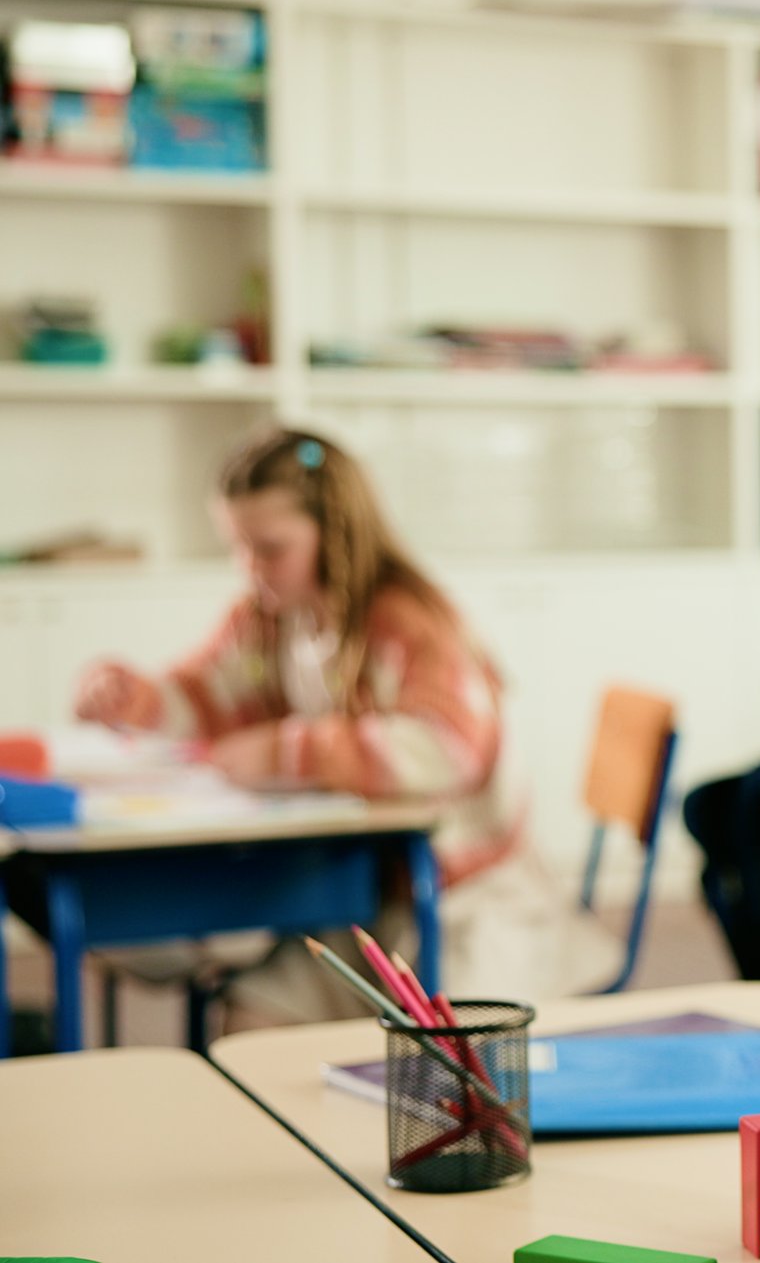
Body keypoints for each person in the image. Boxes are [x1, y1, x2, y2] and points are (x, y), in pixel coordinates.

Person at [73, 427, 614, 1023]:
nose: (250, 567)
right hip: (364, 902)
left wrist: (291, 753)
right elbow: (208, 692)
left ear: (333, 533)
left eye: (271, 548)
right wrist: (141, 699)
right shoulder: (269, 614)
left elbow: (450, 745)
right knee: (251, 1018)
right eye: (238, 546)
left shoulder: (410, 621)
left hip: (463, 906)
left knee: (439, 1069)